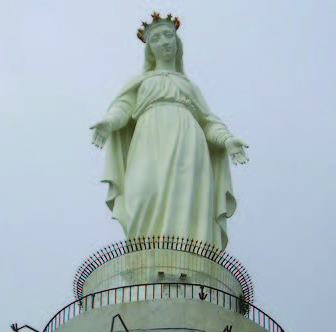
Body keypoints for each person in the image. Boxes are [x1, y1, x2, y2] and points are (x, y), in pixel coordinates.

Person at [90, 13, 249, 251]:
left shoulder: (188, 86)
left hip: (188, 145)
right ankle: (145, 261)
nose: (164, 41)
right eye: (156, 38)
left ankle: (189, 259)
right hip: (147, 142)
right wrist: (108, 123)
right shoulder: (141, 82)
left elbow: (208, 122)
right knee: (142, 193)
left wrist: (227, 140)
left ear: (177, 43)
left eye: (168, 35)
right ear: (149, 49)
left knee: (187, 203)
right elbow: (122, 107)